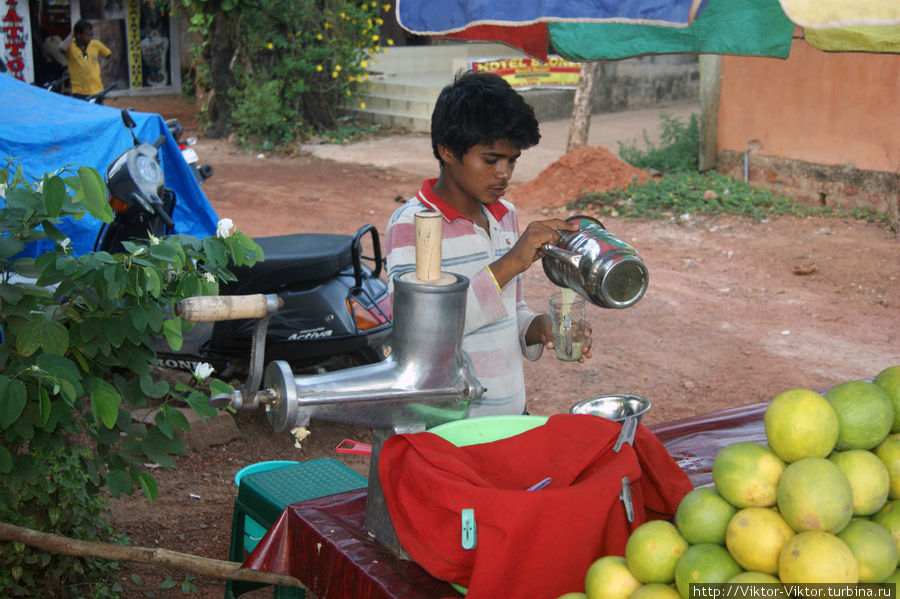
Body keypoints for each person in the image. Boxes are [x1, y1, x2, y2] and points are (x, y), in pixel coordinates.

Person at [385, 71, 592, 418]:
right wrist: (511, 262)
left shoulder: (504, 215)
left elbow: (511, 309)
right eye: (491, 160)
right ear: (447, 151)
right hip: (450, 429)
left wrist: (538, 327)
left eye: (512, 161)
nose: (505, 174)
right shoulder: (413, 224)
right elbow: (418, 335)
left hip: (510, 414)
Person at [59, 20, 111, 103]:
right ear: (78, 35)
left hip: (97, 90)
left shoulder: (96, 44)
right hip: (80, 92)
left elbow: (108, 55)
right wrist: (72, 33)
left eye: (91, 35)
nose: (90, 38)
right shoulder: (70, 47)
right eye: (87, 35)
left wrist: (102, 68)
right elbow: (62, 48)